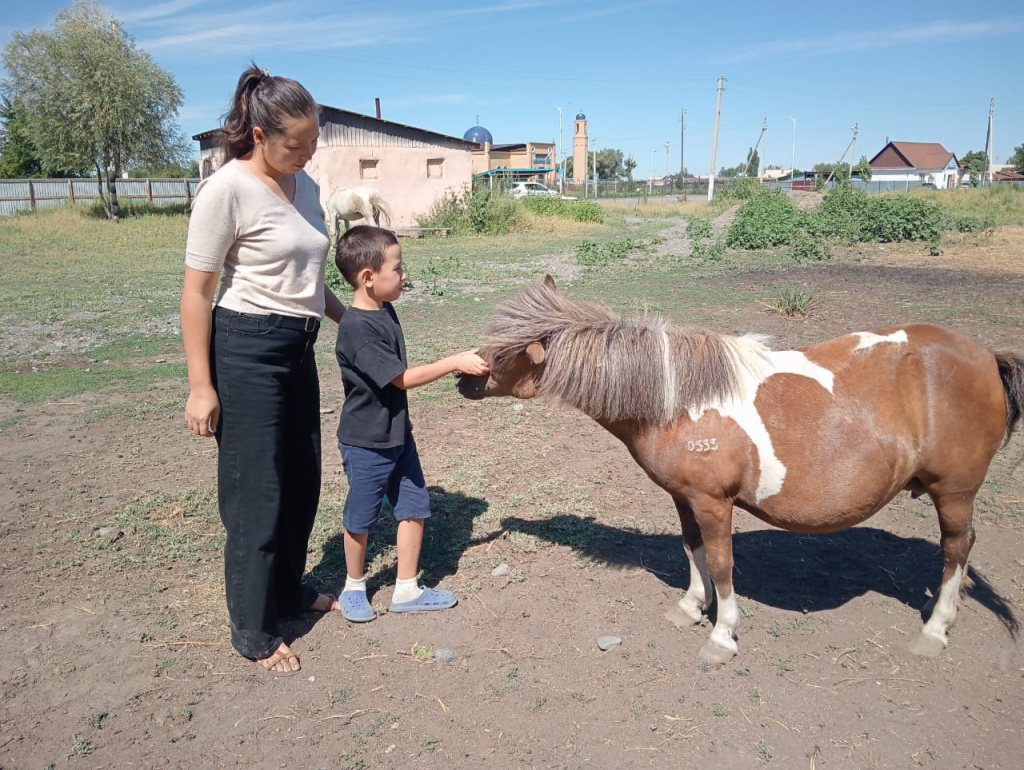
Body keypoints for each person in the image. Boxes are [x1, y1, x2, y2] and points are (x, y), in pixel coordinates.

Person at [180, 65, 346, 675]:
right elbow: (196, 293)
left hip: (297, 346)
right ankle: (253, 628)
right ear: (257, 133)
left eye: (313, 141)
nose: (306, 153)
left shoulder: (304, 186)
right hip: (246, 345)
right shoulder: (226, 188)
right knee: (257, 490)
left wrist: (345, 318)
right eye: (294, 144)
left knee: (301, 477)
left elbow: (307, 277)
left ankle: (287, 592)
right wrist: (202, 385)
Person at [332, 226, 489, 622]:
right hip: (366, 442)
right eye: (398, 269)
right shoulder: (356, 331)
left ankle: (406, 588)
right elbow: (401, 378)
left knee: (414, 507)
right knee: (361, 518)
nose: (405, 276)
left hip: (397, 435)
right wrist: (454, 361)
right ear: (368, 278)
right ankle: (353, 587)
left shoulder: (383, 309)